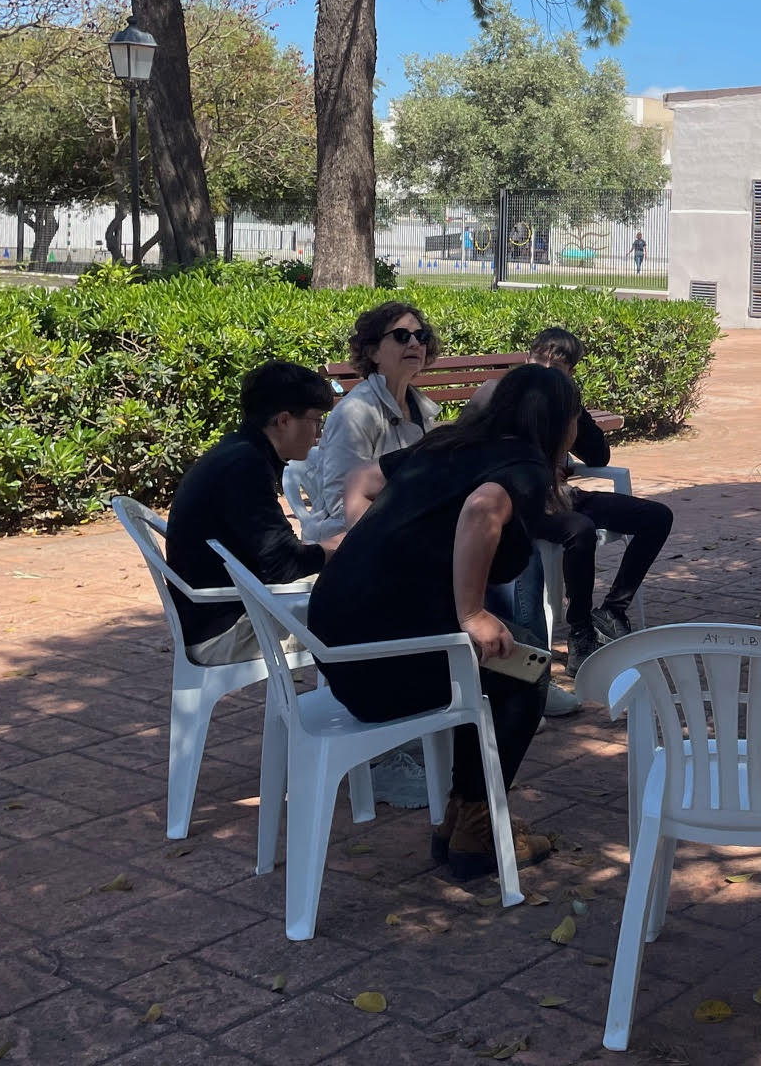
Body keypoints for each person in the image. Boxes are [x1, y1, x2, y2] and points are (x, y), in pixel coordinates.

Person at [309, 363, 574, 881]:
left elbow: (361, 479)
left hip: (336, 645)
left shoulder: (446, 445)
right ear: (557, 421)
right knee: (528, 668)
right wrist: (471, 613)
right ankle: (477, 828)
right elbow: (482, 508)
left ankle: (462, 815)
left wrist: (377, 549)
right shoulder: (523, 465)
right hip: (379, 673)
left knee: (498, 665)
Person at [518, 325, 676, 669]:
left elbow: (598, 456)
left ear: (570, 373)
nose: (546, 370)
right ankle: (580, 630)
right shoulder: (511, 397)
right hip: (525, 503)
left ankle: (612, 610)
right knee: (580, 529)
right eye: (540, 360)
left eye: (558, 366)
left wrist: (573, 411)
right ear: (528, 359)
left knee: (657, 517)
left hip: (565, 496)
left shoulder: (566, 401)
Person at [165, 361, 340, 664]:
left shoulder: (237, 451)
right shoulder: (245, 466)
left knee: (353, 590)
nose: (318, 433)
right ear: (284, 420)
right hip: (226, 633)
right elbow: (284, 566)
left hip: (220, 615)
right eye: (316, 420)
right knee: (369, 607)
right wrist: (338, 547)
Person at [298, 302, 442, 542]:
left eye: (422, 336)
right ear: (373, 352)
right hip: (353, 541)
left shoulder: (420, 408)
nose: (415, 343)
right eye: (401, 335)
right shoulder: (355, 413)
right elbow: (341, 504)